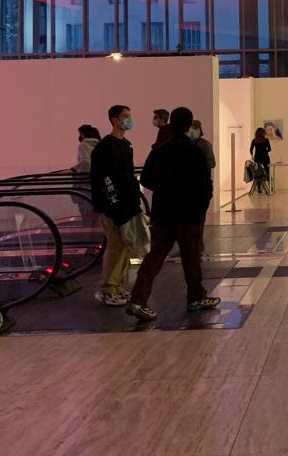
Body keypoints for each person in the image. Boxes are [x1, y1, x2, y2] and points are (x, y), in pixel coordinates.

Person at [126, 107, 221, 321]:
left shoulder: (160, 150)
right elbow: (205, 185)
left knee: (154, 257)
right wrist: (200, 208)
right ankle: (195, 298)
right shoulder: (195, 151)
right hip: (188, 215)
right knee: (191, 257)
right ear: (189, 125)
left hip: (163, 214)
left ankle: (138, 299)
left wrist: (164, 189)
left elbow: (146, 179)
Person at [89, 105, 144, 306]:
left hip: (127, 205)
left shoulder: (126, 145)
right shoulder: (105, 147)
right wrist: (112, 203)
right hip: (112, 207)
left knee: (125, 246)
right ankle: (107, 288)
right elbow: (103, 178)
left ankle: (117, 285)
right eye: (125, 116)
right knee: (116, 246)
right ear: (115, 120)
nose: (129, 120)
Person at [190, 119, 215, 253]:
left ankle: (198, 243)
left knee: (199, 218)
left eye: (195, 128)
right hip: (191, 187)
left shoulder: (205, 145)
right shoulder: (186, 144)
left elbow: (212, 163)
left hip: (201, 186)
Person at [249, 127, 272, 195]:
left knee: (258, 174)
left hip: (257, 158)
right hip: (265, 158)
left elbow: (251, 150)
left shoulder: (254, 140)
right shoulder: (266, 140)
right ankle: (270, 187)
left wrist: (252, 156)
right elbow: (269, 149)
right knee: (267, 172)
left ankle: (259, 188)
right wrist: (265, 150)